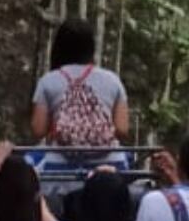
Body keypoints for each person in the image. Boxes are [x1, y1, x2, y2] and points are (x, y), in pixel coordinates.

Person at [27, 17, 132, 169]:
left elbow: (38, 130)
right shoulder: (112, 80)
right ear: (91, 47)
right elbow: (122, 129)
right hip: (110, 165)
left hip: (60, 167)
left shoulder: (48, 81)